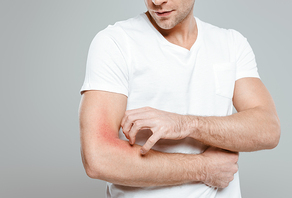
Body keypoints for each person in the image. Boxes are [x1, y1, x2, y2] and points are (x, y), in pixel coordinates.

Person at [79, 0, 281, 197]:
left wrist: (186, 125)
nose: (157, 1)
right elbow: (98, 158)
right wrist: (203, 169)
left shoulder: (231, 43)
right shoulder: (116, 42)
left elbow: (268, 129)